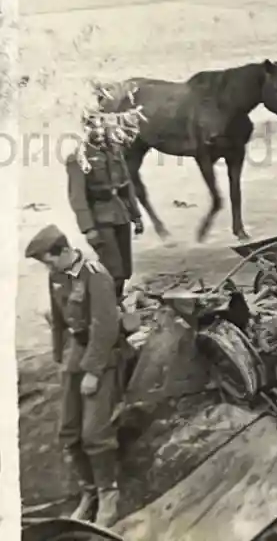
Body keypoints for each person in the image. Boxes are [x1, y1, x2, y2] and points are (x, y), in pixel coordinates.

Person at [25, 224, 125, 527]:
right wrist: (60, 359)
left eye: (50, 260)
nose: (48, 267)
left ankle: (109, 494)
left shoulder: (96, 275)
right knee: (68, 431)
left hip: (103, 356)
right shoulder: (55, 275)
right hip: (74, 355)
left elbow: (105, 327)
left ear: (65, 251)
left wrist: (93, 372)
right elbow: (58, 322)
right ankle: (89, 491)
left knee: (94, 433)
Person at [67, 115, 144, 301]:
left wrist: (136, 215)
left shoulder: (114, 152)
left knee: (125, 269)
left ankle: (117, 302)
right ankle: (107, 307)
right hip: (100, 218)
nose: (100, 132)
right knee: (113, 269)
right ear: (85, 130)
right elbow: (78, 197)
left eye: (102, 127)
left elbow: (126, 186)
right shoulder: (79, 158)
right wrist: (88, 229)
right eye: (94, 128)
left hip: (121, 214)